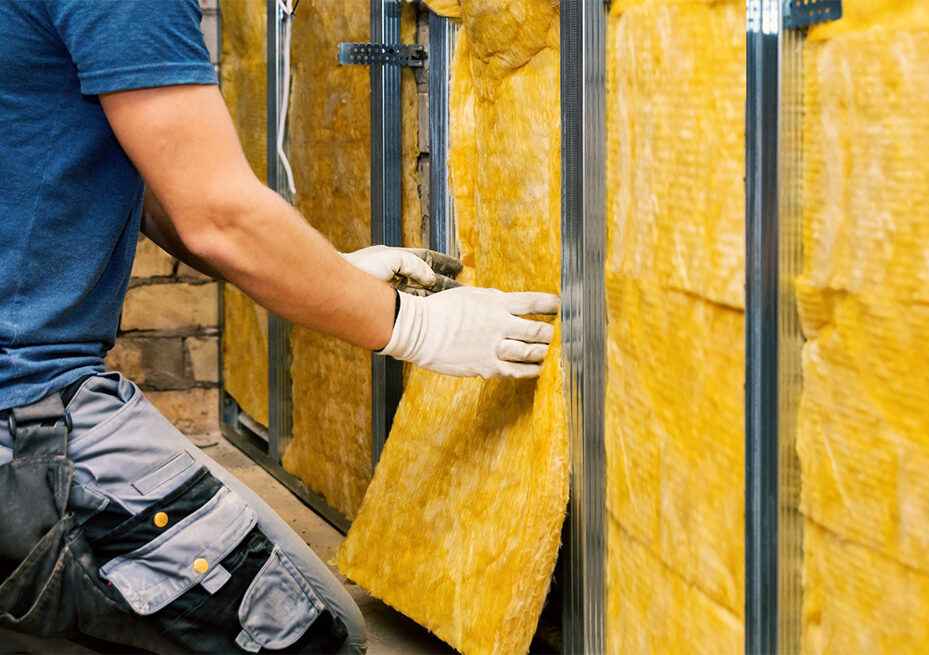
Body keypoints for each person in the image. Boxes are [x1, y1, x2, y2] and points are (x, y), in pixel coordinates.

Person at [0, 1, 559, 652]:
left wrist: (332, 272)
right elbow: (218, 214)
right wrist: (419, 328)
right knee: (311, 632)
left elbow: (151, 180)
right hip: (27, 417)